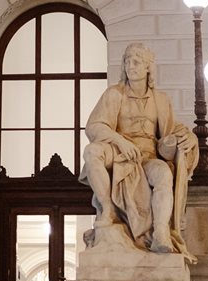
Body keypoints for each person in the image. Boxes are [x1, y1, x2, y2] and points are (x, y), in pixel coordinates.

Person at [80, 41, 197, 252]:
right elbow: (94, 126)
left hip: (148, 157)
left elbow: (173, 131)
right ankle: (108, 209)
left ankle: (160, 232)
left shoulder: (161, 100)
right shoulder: (114, 94)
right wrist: (120, 141)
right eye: (127, 61)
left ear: (148, 67)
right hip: (119, 152)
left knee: (163, 174)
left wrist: (191, 139)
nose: (130, 66)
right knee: (91, 152)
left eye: (136, 62)